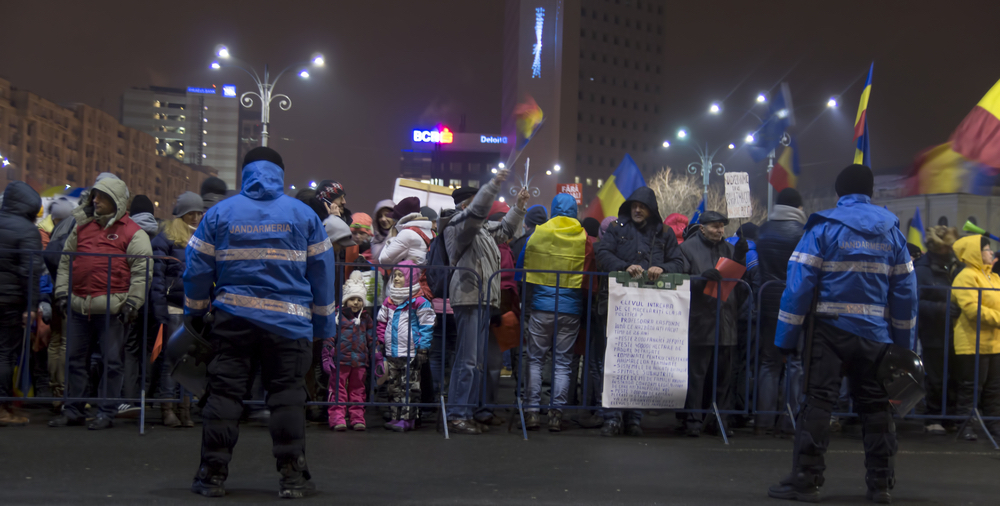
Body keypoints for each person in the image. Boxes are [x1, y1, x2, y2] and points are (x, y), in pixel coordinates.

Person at [184, 147, 336, 498]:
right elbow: (322, 276)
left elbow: (196, 268)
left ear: (245, 173)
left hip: (232, 321)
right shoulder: (304, 215)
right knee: (286, 398)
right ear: (280, 173)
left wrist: (195, 312)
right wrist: (323, 328)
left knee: (224, 395)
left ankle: (212, 475)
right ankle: (292, 477)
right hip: (290, 325)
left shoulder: (219, 213)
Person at [768, 164, 917, 504]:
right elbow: (906, 292)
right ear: (871, 192)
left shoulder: (824, 227)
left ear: (839, 192)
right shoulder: (892, 231)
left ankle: (807, 479)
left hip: (829, 332)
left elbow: (798, 286)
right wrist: (903, 347)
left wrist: (785, 338)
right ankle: (880, 485)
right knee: (877, 408)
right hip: (877, 337)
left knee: (818, 405)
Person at [50, 176, 152, 430]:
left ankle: (106, 412)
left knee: (111, 363)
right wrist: (62, 293)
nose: (95, 201)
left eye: (101, 197)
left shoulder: (133, 233)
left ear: (115, 200)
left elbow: (142, 271)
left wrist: (132, 304)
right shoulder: (81, 227)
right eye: (94, 196)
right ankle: (73, 410)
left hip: (112, 310)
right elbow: (66, 262)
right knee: (75, 360)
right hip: (78, 306)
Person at [442, 170, 528, 434]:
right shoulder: (460, 224)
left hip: (480, 298)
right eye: (483, 203)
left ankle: (466, 413)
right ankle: (458, 415)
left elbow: (504, 231)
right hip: (469, 297)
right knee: (468, 361)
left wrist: (519, 207)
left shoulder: (480, 229)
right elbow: (479, 213)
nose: (488, 208)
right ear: (469, 205)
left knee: (474, 361)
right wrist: (492, 185)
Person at [594, 186, 684, 436]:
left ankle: (634, 418)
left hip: (648, 310)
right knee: (613, 362)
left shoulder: (664, 233)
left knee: (639, 365)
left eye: (642, 206)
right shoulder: (616, 229)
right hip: (617, 305)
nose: (637, 209)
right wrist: (625, 267)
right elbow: (601, 253)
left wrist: (662, 269)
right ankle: (612, 417)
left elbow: (679, 262)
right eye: (634, 205)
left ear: (651, 209)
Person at [520, 193, 595, 431]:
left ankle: (532, 411)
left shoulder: (539, 232)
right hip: (570, 309)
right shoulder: (583, 236)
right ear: (575, 210)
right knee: (563, 363)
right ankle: (556, 413)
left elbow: (523, 264)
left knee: (535, 360)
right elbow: (589, 274)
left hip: (541, 307)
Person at [679, 210, 749, 438]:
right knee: (697, 376)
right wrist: (700, 280)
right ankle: (693, 420)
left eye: (722, 226)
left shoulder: (729, 250)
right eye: (715, 226)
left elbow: (740, 287)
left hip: (725, 320)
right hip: (700, 321)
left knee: (722, 378)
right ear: (702, 227)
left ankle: (719, 420)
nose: (720, 230)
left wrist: (740, 260)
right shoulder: (687, 249)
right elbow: (679, 283)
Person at [754, 188, 807, 435]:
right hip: (795, 304)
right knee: (794, 362)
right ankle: (789, 420)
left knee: (768, 362)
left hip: (768, 303)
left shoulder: (763, 231)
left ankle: (763, 421)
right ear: (798, 207)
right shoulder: (804, 233)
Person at [150, 191, 203, 427]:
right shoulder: (166, 238)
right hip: (174, 308)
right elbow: (157, 278)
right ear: (180, 214)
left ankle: (185, 409)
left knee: (190, 361)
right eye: (190, 213)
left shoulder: (203, 237)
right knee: (172, 360)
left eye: (198, 212)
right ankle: (168, 408)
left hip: (194, 309)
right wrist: (160, 308)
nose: (195, 217)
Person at [0, 181, 44, 426]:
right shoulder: (27, 231)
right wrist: (31, 305)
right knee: (5, 354)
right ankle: (3, 408)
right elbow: (31, 272)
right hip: (11, 300)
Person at [950, 234, 1000, 442]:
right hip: (972, 342)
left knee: (994, 389)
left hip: (994, 342)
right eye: (987, 249)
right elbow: (972, 310)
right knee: (972, 387)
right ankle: (964, 425)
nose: (991, 253)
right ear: (975, 254)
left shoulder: (994, 277)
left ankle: (994, 426)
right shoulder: (965, 276)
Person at [378, 261, 434, 432]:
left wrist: (423, 348)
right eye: (395, 275)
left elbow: (427, 325)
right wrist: (381, 341)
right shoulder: (389, 301)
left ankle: (408, 418)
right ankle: (396, 416)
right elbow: (381, 323)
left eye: (401, 275)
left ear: (410, 277)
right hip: (392, 351)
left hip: (410, 351)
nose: (396, 278)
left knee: (409, 386)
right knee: (394, 386)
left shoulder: (419, 301)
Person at [916, 226, 961, 436]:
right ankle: (933, 416)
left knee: (955, 374)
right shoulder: (922, 269)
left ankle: (950, 416)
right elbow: (915, 301)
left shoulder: (956, 266)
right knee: (935, 376)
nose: (950, 250)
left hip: (957, 331)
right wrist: (940, 308)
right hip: (933, 331)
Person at [118, 195, 161, 418]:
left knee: (130, 349)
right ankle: (146, 396)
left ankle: (128, 399)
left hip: (132, 300)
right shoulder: (160, 234)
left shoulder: (128, 233)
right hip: (156, 302)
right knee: (149, 351)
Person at [323, 271, 375, 432]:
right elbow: (330, 336)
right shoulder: (338, 317)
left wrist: (377, 355)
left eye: (359, 299)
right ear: (346, 300)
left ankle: (357, 417)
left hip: (359, 361)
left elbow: (371, 338)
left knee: (358, 390)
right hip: (340, 360)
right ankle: (337, 416)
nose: (355, 303)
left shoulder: (366, 318)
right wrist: (326, 355)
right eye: (352, 299)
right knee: (337, 389)